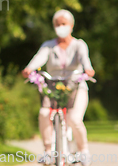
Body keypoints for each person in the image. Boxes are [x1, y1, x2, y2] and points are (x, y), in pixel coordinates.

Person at [22, 9, 95, 165]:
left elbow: (85, 58)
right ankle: (48, 151)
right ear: (54, 26)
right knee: (43, 113)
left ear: (71, 25)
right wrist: (29, 68)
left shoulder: (78, 44)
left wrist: (88, 69)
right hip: (53, 86)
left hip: (75, 86)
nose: (61, 26)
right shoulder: (48, 46)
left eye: (64, 23)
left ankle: (83, 151)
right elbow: (39, 58)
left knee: (74, 119)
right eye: (57, 24)